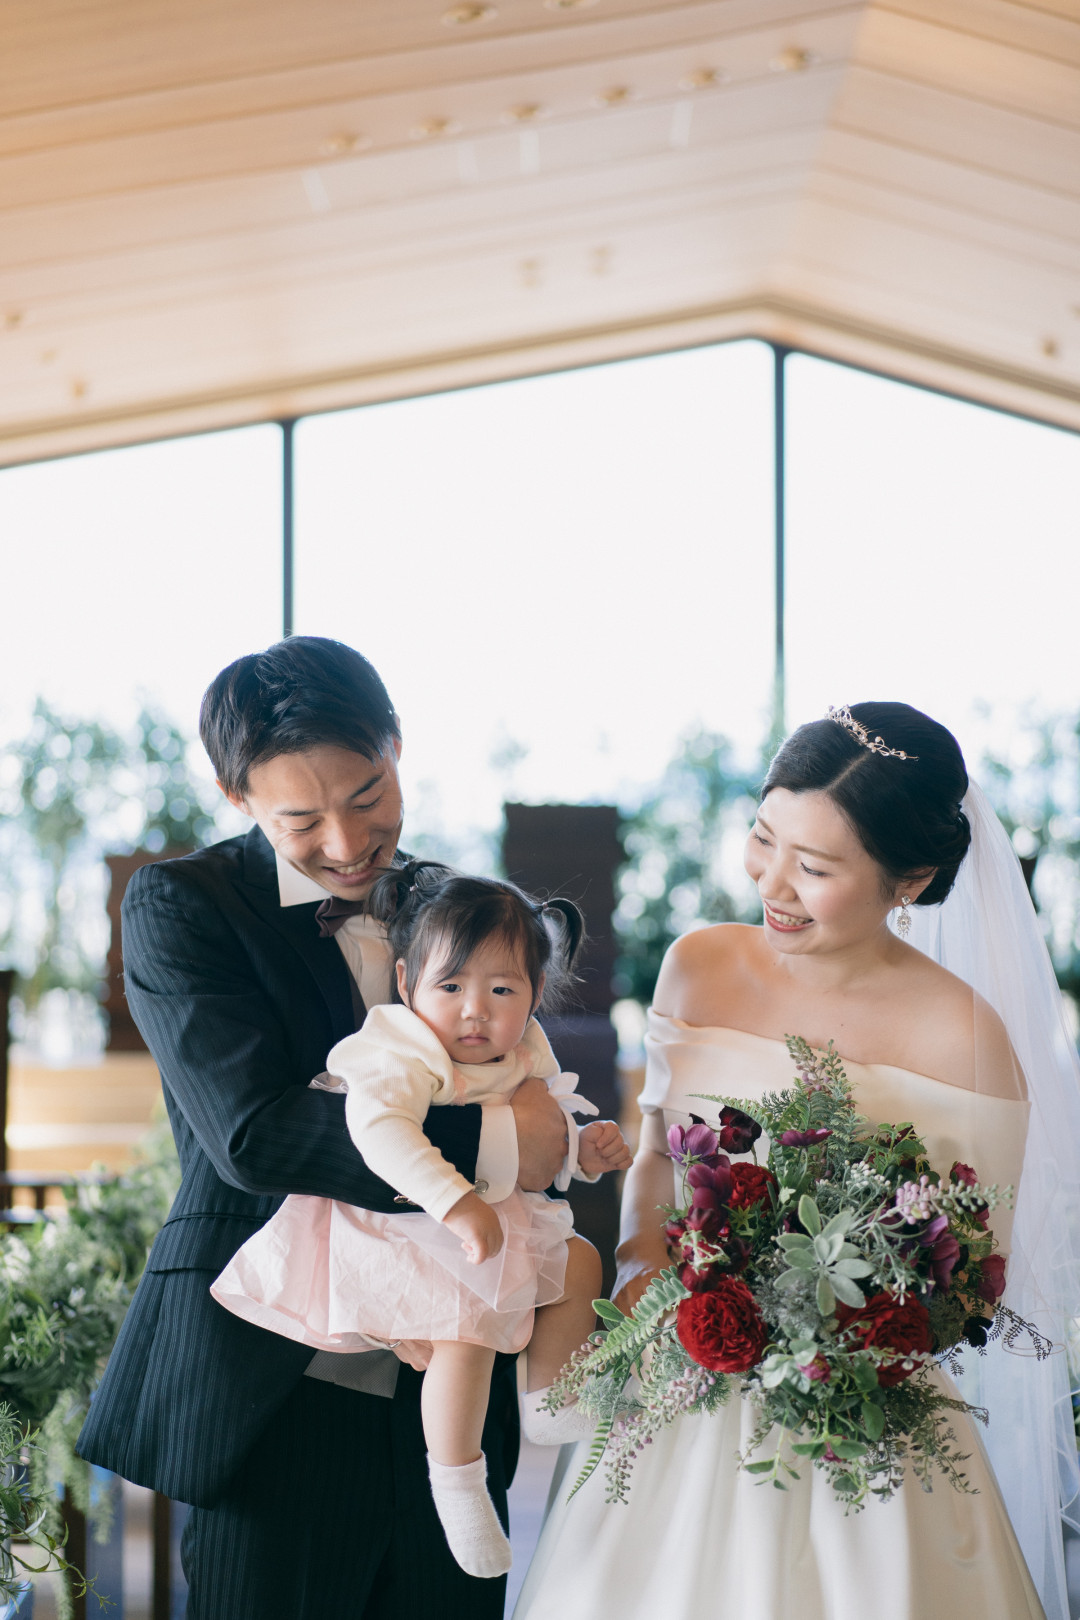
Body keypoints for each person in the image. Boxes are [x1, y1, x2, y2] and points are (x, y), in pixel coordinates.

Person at [515, 702, 1080, 1620]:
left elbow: (973, 1272)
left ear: (913, 880)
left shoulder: (966, 1035)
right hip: (674, 1377)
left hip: (859, 1427)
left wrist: (829, 1323)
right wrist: (642, 1273)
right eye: (764, 838)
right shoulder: (700, 965)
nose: (772, 882)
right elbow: (658, 1149)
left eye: (814, 868)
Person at [77, 636, 578, 1620]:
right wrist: (508, 1147)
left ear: (396, 747)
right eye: (302, 819)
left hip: (454, 1390)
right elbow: (256, 1133)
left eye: (367, 795)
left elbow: (523, 1068)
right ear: (238, 799)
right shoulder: (183, 908)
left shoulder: (456, 906)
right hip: (279, 1389)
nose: (347, 843)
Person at [212, 863, 629, 1578]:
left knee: (585, 1264)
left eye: (503, 990)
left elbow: (544, 1134)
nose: (476, 1011)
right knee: (462, 1336)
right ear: (407, 985)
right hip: (397, 1219)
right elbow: (379, 1133)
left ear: (532, 995)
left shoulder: (524, 1045)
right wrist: (456, 1201)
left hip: (487, 1220)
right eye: (452, 987)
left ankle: (550, 1400)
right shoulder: (398, 1046)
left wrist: (583, 1154)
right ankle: (457, 1480)